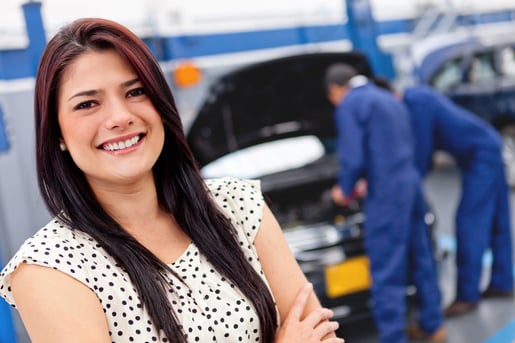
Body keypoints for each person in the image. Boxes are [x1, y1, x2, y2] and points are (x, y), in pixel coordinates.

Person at [0, 18, 345, 343]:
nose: (120, 117)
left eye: (135, 92)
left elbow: (320, 334)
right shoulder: (52, 267)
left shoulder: (237, 205)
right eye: (88, 103)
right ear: (56, 133)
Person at [325, 64, 446, 343]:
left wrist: (343, 190)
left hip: (387, 190)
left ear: (335, 89)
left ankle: (393, 337)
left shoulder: (350, 105)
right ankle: (433, 324)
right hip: (411, 183)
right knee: (422, 257)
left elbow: (353, 157)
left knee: (386, 265)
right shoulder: (387, 97)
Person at [401, 85, 514, 317]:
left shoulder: (415, 103)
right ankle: (502, 282)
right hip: (490, 145)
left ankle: (466, 295)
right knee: (497, 220)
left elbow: (422, 149)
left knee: (469, 222)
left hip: (480, 155)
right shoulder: (418, 95)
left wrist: (414, 185)